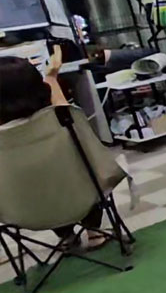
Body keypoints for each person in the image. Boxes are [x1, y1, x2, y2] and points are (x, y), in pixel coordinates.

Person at [0, 48, 107, 248]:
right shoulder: (60, 118)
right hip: (81, 197)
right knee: (79, 166)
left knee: (36, 184)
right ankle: (94, 230)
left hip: (25, 213)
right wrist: (52, 77)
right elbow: (64, 109)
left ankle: (66, 235)